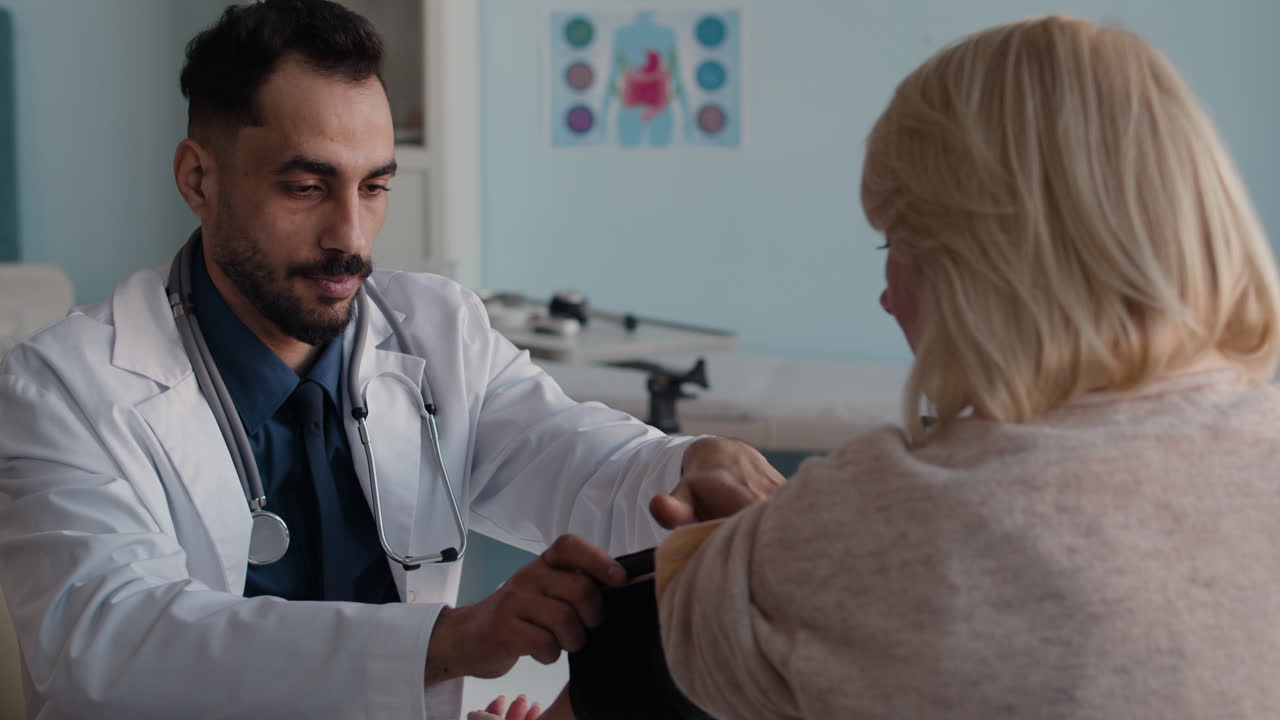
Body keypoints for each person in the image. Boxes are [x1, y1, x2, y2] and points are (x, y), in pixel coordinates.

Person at [0, 2, 783, 718]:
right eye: (308, 187)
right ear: (198, 178)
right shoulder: (61, 387)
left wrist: (687, 466)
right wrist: (449, 640)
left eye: (374, 187)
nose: (352, 235)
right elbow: (107, 644)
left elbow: (578, 461)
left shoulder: (436, 330)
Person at [655, 15, 1280, 719]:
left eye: (892, 243)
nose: (887, 295)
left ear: (976, 264)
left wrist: (710, 549)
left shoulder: (879, 516)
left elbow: (694, 644)